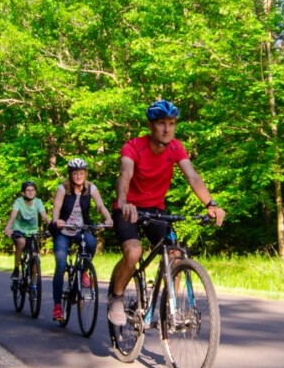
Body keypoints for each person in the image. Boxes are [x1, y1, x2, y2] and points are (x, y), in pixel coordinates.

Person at [108, 99, 225, 326]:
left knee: (175, 255)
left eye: (171, 123)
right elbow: (125, 174)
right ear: (151, 126)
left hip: (155, 210)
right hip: (128, 209)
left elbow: (192, 176)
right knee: (133, 252)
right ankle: (117, 296)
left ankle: (169, 306)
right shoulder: (133, 147)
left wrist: (211, 204)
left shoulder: (176, 147)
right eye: (162, 123)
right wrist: (123, 203)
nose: (167, 129)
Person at [49, 158, 114, 321]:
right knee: (61, 265)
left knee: (91, 244)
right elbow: (56, 207)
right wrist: (57, 221)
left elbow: (100, 205)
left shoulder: (91, 188)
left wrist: (108, 218)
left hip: (81, 228)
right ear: (70, 174)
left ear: (85, 174)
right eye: (75, 173)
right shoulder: (62, 189)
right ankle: (57, 306)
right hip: (63, 230)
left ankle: (83, 271)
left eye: (81, 173)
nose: (79, 176)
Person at [2, 180, 48, 281]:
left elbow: (44, 216)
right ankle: (16, 268)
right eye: (28, 190)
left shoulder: (38, 202)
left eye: (33, 190)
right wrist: (8, 227)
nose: (31, 192)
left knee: (35, 255)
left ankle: (34, 285)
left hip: (32, 231)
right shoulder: (19, 201)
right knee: (21, 243)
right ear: (23, 193)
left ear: (35, 192)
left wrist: (53, 227)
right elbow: (13, 215)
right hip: (19, 230)